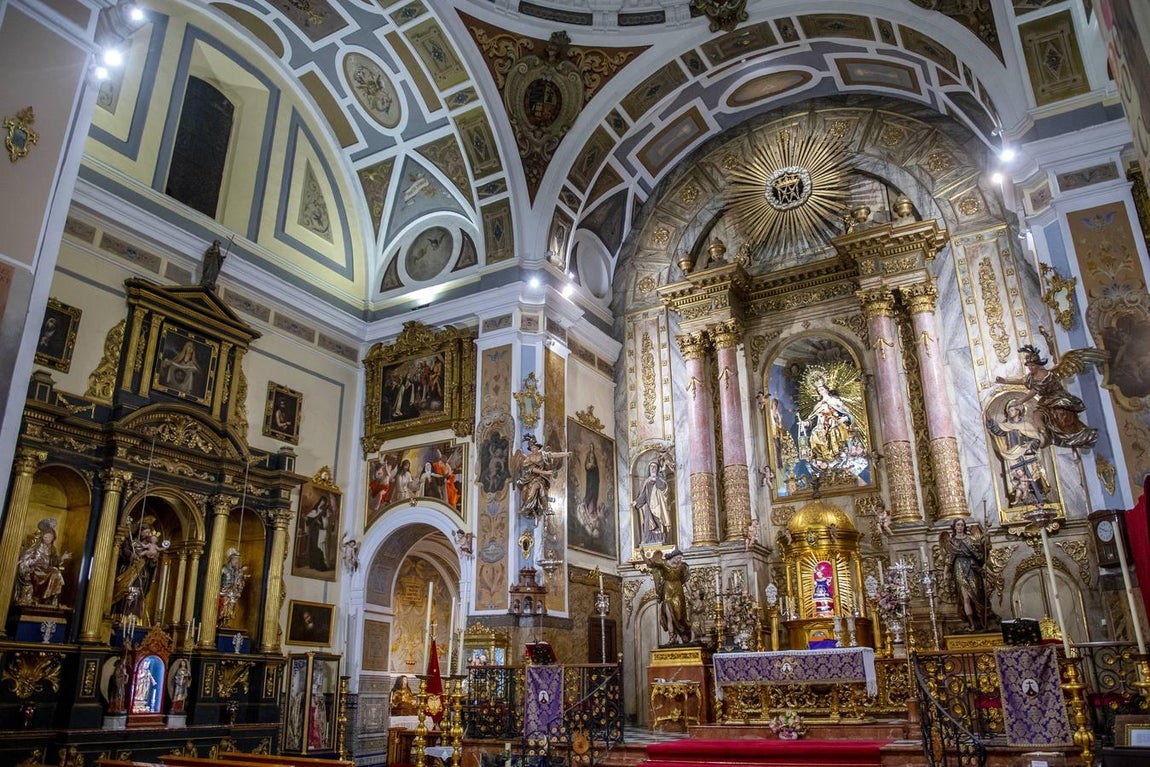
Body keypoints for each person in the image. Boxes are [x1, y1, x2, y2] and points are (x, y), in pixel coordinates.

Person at [995, 345, 1106, 449]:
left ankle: (1081, 436)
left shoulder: (1045, 375)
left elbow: (1034, 390)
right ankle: (1044, 435)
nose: (1030, 368)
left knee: (1062, 422)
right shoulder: (1032, 377)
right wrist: (1005, 381)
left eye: (1032, 366)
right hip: (1047, 400)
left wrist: (1022, 400)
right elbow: (1021, 380)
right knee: (1037, 415)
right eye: (1029, 366)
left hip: (1058, 399)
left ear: (1039, 365)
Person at [941, 519, 996, 632]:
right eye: (958, 525)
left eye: (962, 525)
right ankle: (972, 624)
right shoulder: (951, 542)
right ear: (954, 527)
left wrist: (986, 540)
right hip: (959, 568)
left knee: (977, 595)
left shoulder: (970, 539)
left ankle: (982, 622)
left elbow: (981, 553)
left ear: (964, 526)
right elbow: (949, 558)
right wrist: (945, 572)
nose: (960, 527)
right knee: (965, 597)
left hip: (972, 567)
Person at [111, 517, 165, 621]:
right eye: (146, 532)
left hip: (142, 572)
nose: (148, 534)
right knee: (127, 591)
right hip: (129, 570)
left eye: (149, 532)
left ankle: (134, 617)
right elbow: (125, 552)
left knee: (138, 593)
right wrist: (133, 556)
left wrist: (153, 560)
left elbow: (151, 565)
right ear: (140, 532)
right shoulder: (131, 542)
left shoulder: (149, 546)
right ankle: (120, 615)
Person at [14, 518, 72, 607]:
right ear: (42, 537)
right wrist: (29, 563)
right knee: (45, 573)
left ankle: (50, 600)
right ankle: (36, 597)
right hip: (36, 570)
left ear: (53, 537)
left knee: (56, 573)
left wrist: (62, 558)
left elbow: (54, 561)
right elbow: (26, 557)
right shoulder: (36, 547)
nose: (48, 539)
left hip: (47, 570)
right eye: (46, 537)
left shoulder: (52, 549)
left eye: (50, 537)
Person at [643, 547, 692, 645]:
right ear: (673, 557)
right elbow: (651, 564)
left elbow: (686, 581)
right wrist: (643, 556)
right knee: (669, 616)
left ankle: (683, 633)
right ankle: (671, 637)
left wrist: (690, 593)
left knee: (679, 615)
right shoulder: (664, 564)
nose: (679, 560)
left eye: (680, 558)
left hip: (678, 590)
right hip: (667, 590)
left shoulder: (682, 567)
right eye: (678, 558)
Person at [512, 434, 567, 519]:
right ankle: (530, 506)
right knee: (533, 486)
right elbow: (532, 469)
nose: (534, 449)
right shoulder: (528, 459)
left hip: (541, 478)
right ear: (530, 449)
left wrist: (565, 454)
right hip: (530, 478)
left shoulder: (542, 455)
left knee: (538, 486)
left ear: (538, 447)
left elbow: (553, 455)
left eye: (535, 447)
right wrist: (546, 472)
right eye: (532, 448)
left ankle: (533, 507)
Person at [634, 458, 672, 545]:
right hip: (648, 507)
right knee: (648, 524)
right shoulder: (646, 482)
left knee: (659, 521)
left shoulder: (660, 480)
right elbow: (643, 495)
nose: (653, 468)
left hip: (658, 506)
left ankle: (660, 539)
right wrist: (636, 502)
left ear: (657, 469)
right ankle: (649, 540)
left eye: (655, 467)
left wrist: (656, 480)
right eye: (651, 467)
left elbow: (664, 489)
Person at [217, 548, 250, 627]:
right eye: (235, 559)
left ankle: (226, 622)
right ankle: (220, 622)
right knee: (223, 608)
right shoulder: (223, 568)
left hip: (232, 593)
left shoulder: (236, 570)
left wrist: (242, 576)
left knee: (230, 608)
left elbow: (238, 580)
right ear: (231, 559)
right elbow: (217, 580)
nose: (237, 561)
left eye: (238, 559)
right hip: (223, 593)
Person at [305, 495, 333, 571]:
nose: (322, 503)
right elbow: (308, 519)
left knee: (321, 547)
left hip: (320, 531)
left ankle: (320, 563)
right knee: (314, 546)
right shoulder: (314, 511)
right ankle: (314, 563)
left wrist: (322, 520)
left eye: (324, 502)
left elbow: (326, 521)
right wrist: (314, 520)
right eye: (322, 501)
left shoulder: (324, 511)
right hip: (314, 532)